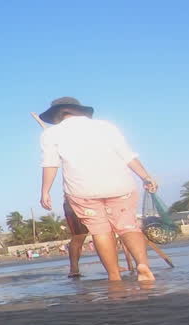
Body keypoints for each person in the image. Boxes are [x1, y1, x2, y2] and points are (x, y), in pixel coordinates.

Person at [38, 97, 159, 281]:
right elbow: (127, 155)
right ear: (79, 110)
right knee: (128, 226)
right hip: (120, 185)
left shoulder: (51, 134)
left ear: (55, 115)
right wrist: (146, 176)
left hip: (83, 190)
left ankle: (114, 276)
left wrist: (45, 191)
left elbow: (50, 164)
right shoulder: (106, 126)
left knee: (100, 231)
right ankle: (142, 265)